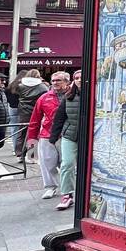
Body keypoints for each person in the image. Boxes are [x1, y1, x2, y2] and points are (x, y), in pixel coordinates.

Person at [26, 70, 70, 199]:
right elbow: (35, 119)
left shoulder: (74, 96)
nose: (55, 83)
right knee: (47, 163)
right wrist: (32, 138)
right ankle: (50, 187)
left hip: (67, 134)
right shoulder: (44, 98)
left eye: (59, 80)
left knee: (67, 164)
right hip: (47, 135)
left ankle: (68, 188)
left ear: (67, 82)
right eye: (53, 80)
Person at [49, 70, 81, 211]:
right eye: (76, 77)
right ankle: (67, 194)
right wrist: (53, 137)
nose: (79, 80)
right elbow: (59, 118)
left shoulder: (97, 95)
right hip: (70, 135)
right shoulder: (69, 96)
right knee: (67, 164)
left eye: (82, 77)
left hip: (90, 137)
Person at [10, 69, 49, 159]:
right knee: (34, 133)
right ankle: (32, 155)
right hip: (37, 112)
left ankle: (19, 154)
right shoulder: (43, 87)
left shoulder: (20, 86)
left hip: (23, 112)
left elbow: (13, 93)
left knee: (21, 133)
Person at [0, 71, 9, 151]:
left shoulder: (2, 92)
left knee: (0, 143)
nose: (3, 81)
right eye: (1, 79)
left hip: (2, 123)